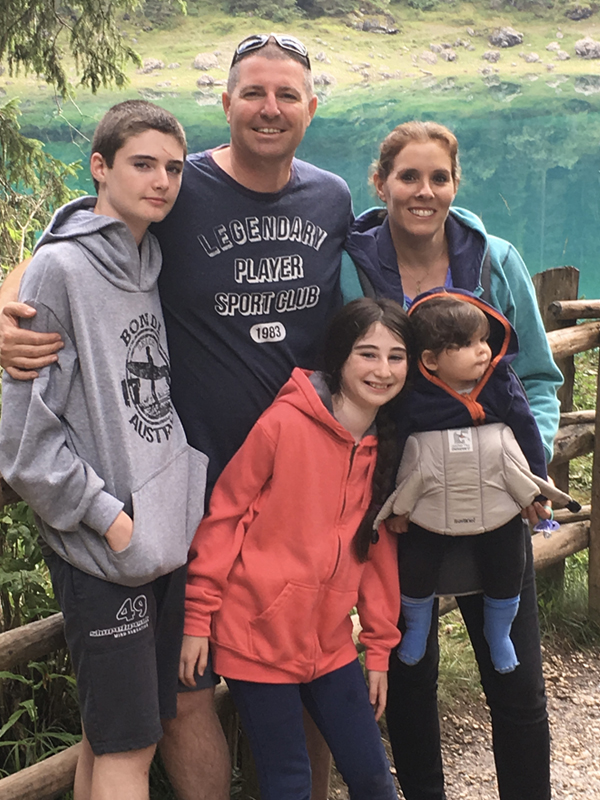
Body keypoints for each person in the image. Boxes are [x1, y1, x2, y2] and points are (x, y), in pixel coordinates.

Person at [0, 34, 352, 800]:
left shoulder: (331, 198)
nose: (269, 109)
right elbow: (75, 230)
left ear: (311, 107)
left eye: (286, 95)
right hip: (187, 497)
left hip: (297, 492)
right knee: (184, 694)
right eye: (253, 93)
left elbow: (398, 253)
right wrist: (4, 304)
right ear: (226, 103)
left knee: (308, 670)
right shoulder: (179, 184)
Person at [345, 120, 564, 800]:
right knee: (411, 680)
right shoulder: (351, 269)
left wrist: (525, 470)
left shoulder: (496, 260)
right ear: (381, 183)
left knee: (516, 683)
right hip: (405, 511)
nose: (424, 191)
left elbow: (537, 377)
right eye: (408, 176)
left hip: (497, 507)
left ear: (455, 183)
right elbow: (336, 377)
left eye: (439, 177)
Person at [0, 100, 210, 800]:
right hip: (103, 545)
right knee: (131, 744)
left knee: (111, 736)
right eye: (142, 164)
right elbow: (23, 439)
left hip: (157, 533)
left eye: (173, 168)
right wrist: (109, 518)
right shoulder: (59, 271)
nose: (161, 182)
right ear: (99, 167)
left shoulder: (150, 257)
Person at [180, 297, 413, 800]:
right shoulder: (284, 424)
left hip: (329, 644)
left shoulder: (387, 447)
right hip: (255, 637)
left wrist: (378, 650)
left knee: (373, 778)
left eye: (396, 357)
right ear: (340, 358)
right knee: (289, 782)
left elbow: (376, 555)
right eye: (367, 354)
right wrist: (198, 617)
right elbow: (226, 517)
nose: (383, 370)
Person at [373, 291, 579, 674]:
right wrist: (394, 506)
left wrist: (536, 490)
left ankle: (499, 634)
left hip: (497, 500)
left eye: (484, 340)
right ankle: (416, 628)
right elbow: (393, 448)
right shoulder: (414, 397)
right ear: (430, 360)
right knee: (416, 565)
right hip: (429, 503)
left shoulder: (500, 384)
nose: (483, 351)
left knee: (508, 564)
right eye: (468, 344)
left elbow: (527, 431)